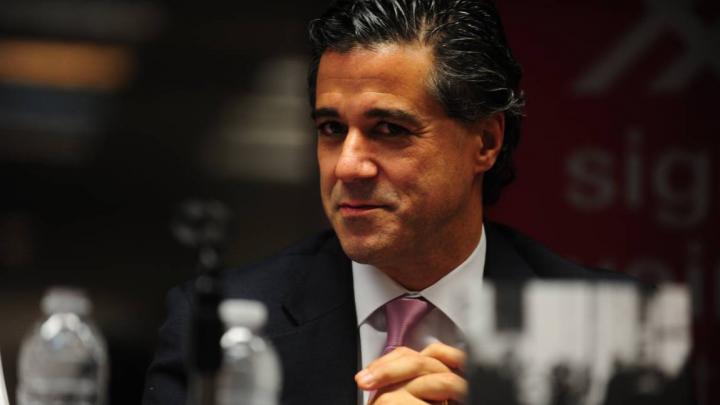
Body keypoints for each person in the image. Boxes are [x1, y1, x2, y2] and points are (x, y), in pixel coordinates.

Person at [143, 1, 629, 404]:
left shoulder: (612, 334)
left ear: (485, 141)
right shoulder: (215, 328)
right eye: (331, 129)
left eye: (390, 130)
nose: (348, 166)